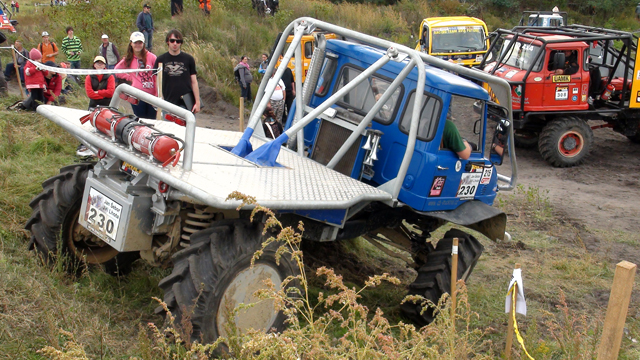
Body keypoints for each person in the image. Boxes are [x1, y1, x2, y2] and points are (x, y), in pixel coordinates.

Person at [154, 29, 200, 113]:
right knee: (168, 126)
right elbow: (157, 81)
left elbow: (194, 81)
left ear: (181, 43)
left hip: (186, 102)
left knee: (187, 125)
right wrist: (160, 97)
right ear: (168, 42)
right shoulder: (160, 59)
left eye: (178, 41)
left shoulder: (189, 59)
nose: (175, 43)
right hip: (167, 101)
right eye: (172, 41)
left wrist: (197, 102)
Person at [115, 31, 157, 118]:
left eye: (140, 42)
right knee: (140, 119)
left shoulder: (152, 57)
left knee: (152, 120)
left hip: (151, 95)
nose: (138, 45)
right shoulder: (128, 59)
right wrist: (129, 77)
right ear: (131, 44)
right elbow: (116, 70)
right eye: (135, 43)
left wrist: (157, 93)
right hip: (136, 95)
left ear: (143, 43)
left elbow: (157, 75)